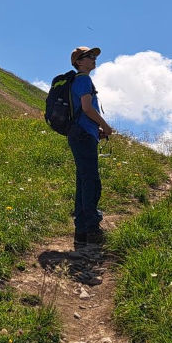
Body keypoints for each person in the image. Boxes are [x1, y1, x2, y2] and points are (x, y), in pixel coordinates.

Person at [68, 45, 115, 251]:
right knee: (91, 182)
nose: (94, 59)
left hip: (81, 134)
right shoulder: (84, 80)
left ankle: (81, 233)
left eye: (94, 56)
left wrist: (96, 130)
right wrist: (104, 125)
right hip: (83, 136)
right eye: (89, 56)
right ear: (78, 62)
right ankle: (92, 230)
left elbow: (82, 111)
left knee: (83, 181)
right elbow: (87, 108)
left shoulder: (77, 81)